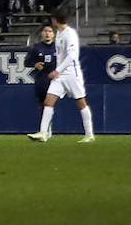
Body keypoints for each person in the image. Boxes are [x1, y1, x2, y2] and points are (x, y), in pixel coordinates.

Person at [32, 8, 96, 142]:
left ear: (55, 20)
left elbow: (72, 56)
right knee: (48, 101)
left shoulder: (70, 34)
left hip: (72, 74)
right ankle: (43, 133)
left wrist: (57, 70)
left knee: (81, 102)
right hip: (60, 76)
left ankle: (89, 135)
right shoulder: (59, 34)